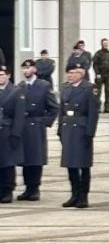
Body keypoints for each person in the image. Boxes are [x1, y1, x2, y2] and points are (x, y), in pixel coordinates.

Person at [58, 60, 100, 208]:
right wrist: (60, 130)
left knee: (83, 165)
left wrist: (90, 133)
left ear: (81, 74)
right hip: (68, 129)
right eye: (69, 73)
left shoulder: (89, 88)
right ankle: (74, 194)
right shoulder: (65, 88)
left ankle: (83, 196)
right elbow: (61, 111)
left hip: (81, 130)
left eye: (74, 73)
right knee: (71, 165)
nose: (70, 75)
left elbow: (93, 113)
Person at [17, 59, 59, 201]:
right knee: (25, 159)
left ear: (34, 69)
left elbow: (54, 107)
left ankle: (35, 188)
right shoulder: (20, 86)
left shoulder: (43, 85)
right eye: (24, 68)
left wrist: (44, 122)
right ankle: (28, 188)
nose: (26, 71)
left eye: (29, 68)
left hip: (36, 125)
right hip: (24, 126)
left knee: (36, 158)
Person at [0, 66, 25, 203]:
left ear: (8, 76)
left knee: (7, 163)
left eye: (2, 74)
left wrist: (16, 134)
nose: (0, 77)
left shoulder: (15, 91)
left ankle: (7, 190)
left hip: (7, 131)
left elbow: (19, 116)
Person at [92, 38, 109, 113]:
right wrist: (97, 74)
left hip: (108, 76)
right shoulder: (98, 54)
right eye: (104, 43)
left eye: (107, 43)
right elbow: (95, 64)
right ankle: (97, 108)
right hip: (100, 76)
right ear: (102, 44)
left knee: (108, 92)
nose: (106, 44)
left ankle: (107, 108)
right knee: (98, 92)